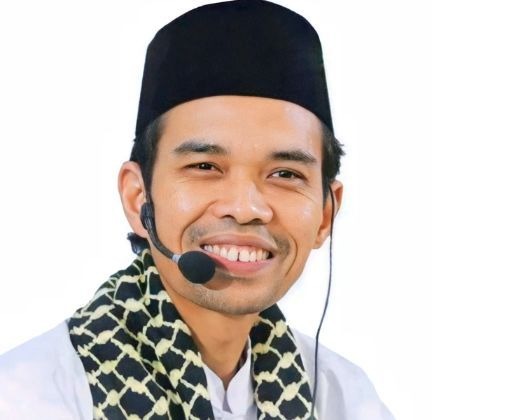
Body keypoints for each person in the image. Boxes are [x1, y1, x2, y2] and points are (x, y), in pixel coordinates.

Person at [0, 1, 393, 419]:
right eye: (205, 167)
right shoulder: (28, 397)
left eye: (285, 174)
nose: (245, 208)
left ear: (326, 215)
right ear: (138, 198)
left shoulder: (343, 398)